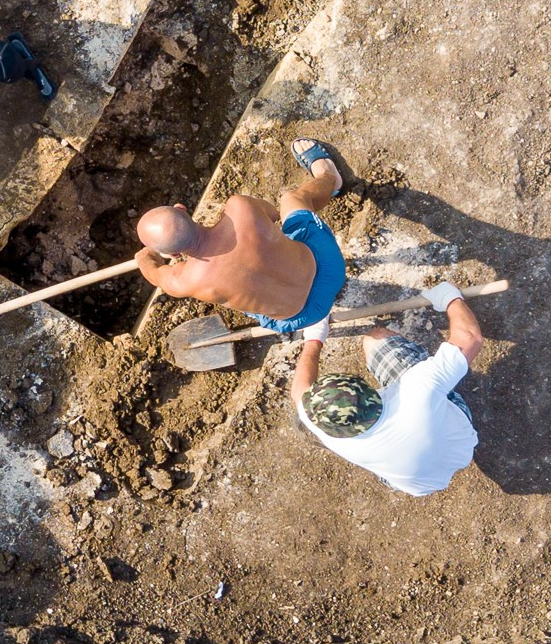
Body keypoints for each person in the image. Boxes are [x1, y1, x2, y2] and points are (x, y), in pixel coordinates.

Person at [134, 137, 347, 335]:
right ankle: (330, 178)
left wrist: (144, 258)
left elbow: (154, 274)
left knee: (236, 297)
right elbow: (274, 214)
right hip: (330, 268)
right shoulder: (240, 208)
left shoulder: (185, 281)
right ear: (181, 209)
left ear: (171, 254)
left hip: (303, 316)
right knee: (292, 199)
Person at [290, 281, 484, 496]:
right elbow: (470, 338)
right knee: (376, 340)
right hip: (462, 441)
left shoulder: (325, 430)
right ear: (371, 394)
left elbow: (299, 391)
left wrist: (314, 338)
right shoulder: (418, 390)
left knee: (394, 472)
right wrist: (450, 297)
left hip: (420, 485)